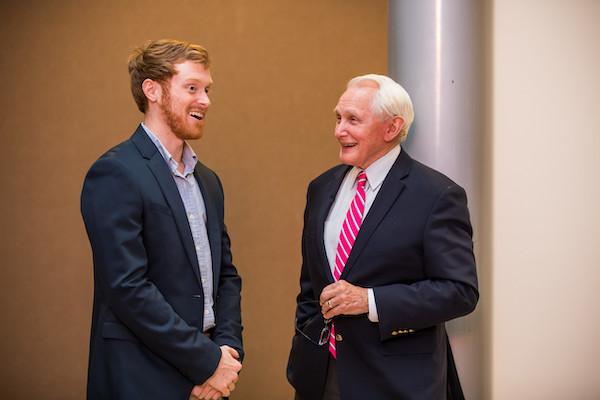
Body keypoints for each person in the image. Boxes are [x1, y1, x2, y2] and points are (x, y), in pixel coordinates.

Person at [287, 74, 479, 400]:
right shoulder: (321, 188)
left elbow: (459, 291)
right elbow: (311, 286)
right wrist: (306, 337)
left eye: (353, 120)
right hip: (320, 376)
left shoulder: (436, 195)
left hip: (396, 382)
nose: (339, 130)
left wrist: (369, 301)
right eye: (338, 117)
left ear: (391, 128)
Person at [81, 39, 243, 400]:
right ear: (151, 90)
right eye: (192, 88)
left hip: (211, 378)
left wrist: (227, 352)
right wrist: (207, 362)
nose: (205, 100)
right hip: (142, 376)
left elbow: (226, 276)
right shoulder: (115, 173)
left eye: (207, 89)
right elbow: (127, 288)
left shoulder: (209, 181)